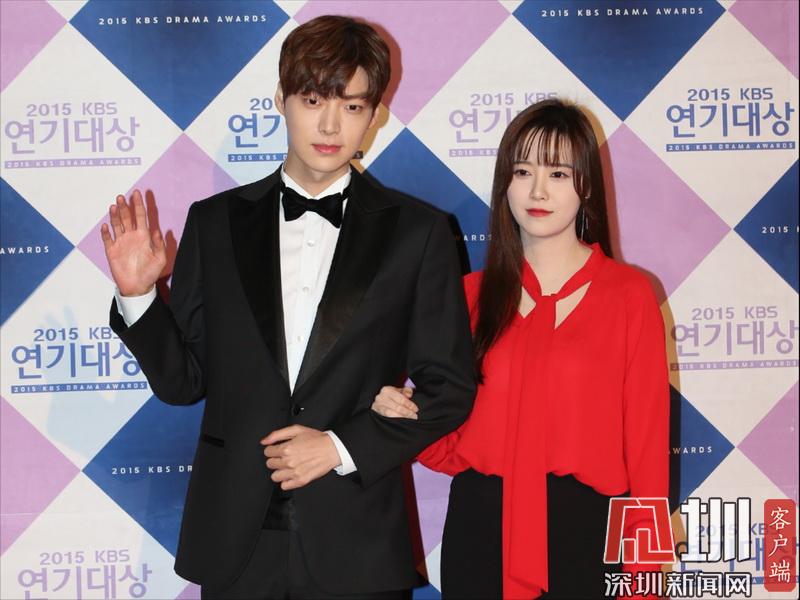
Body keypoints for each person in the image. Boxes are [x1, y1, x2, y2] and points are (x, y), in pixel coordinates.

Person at [101, 15, 475, 600]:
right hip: (237, 541)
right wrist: (138, 296)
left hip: (357, 539)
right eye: (313, 99)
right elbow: (183, 383)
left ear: (376, 115)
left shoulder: (418, 233)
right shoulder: (215, 223)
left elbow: (448, 388)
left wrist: (339, 446)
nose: (330, 125)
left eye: (352, 106)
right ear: (281, 99)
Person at [371, 99, 669, 599]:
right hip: (480, 529)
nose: (537, 190)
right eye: (523, 171)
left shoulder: (629, 296)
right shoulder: (468, 297)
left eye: (558, 173)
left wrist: (645, 575)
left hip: (590, 533)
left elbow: (647, 451)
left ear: (586, 184)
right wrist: (405, 417)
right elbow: (448, 440)